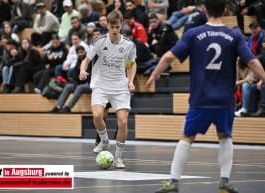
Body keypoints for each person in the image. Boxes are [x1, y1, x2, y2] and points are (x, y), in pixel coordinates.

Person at [146, 0, 265, 192]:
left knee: (187, 137)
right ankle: (224, 181)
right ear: (226, 10)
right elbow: (251, 61)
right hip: (225, 99)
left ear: (204, 10)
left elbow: (168, 57)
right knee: (225, 136)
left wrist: (154, 74)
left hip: (201, 97)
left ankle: (174, 182)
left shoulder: (194, 33)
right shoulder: (234, 34)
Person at [79, 11, 137, 169]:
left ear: (121, 25)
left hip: (120, 86)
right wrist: (82, 71)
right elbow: (86, 60)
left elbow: (133, 64)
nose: (115, 30)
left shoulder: (128, 44)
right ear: (108, 27)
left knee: (123, 122)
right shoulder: (99, 42)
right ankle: (104, 141)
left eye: (118, 26)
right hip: (101, 84)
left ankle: (118, 157)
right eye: (112, 27)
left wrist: (130, 81)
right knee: (97, 115)